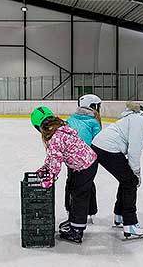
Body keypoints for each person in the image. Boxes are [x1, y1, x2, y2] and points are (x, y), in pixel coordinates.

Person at [91, 95, 143, 239]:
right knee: (131, 182)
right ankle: (130, 224)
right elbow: (134, 152)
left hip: (102, 147)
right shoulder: (142, 121)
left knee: (126, 180)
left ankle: (120, 216)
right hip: (107, 148)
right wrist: (136, 173)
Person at [31, 106, 98, 243]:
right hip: (85, 163)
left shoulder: (54, 137)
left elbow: (56, 161)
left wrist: (50, 178)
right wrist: (45, 168)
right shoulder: (61, 127)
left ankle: (76, 231)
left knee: (79, 196)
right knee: (75, 191)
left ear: (39, 127)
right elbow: (52, 156)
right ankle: (74, 222)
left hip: (85, 166)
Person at [60, 94, 102, 230]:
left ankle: (70, 209)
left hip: (72, 160)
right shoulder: (94, 122)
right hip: (87, 161)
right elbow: (98, 142)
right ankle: (91, 211)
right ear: (92, 106)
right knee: (87, 185)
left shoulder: (70, 120)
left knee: (71, 182)